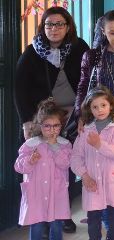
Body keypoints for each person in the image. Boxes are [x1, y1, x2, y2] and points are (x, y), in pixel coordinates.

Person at [15, 7, 89, 145]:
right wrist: (26, 122)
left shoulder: (79, 47)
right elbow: (20, 91)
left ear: (68, 27)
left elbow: (90, 81)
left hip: (74, 116)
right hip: (43, 118)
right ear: (43, 27)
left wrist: (83, 113)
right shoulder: (31, 53)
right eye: (49, 24)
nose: (54, 29)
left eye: (59, 24)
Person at [70, 87, 114, 240]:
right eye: (95, 107)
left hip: (112, 182)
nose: (99, 110)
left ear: (111, 106)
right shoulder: (85, 130)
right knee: (93, 221)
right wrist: (84, 176)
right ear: (89, 109)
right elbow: (75, 157)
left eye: (103, 105)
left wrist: (99, 144)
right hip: (91, 183)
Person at [15, 100, 72, 240]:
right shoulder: (30, 144)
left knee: (56, 225)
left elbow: (66, 164)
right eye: (47, 126)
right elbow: (18, 166)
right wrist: (30, 161)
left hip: (56, 192)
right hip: (36, 192)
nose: (52, 130)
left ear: (61, 125)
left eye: (56, 125)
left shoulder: (65, 145)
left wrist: (55, 147)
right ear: (40, 126)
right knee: (37, 226)